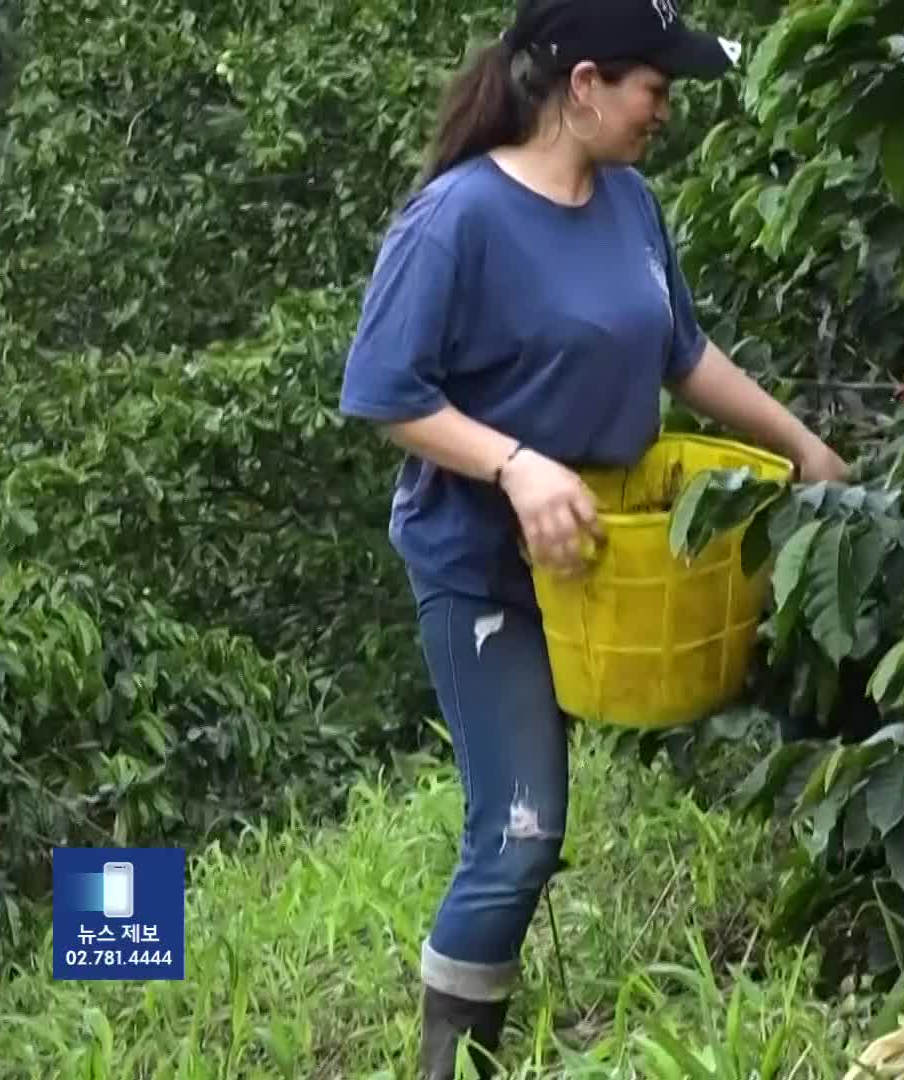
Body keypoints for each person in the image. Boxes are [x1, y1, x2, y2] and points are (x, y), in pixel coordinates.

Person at [335, 1, 849, 1075]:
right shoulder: (457, 219)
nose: (666, 111)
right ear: (583, 88)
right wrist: (515, 465)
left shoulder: (632, 205)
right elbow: (383, 391)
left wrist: (804, 446)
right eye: (654, 88)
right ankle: (451, 1065)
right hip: (487, 571)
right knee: (520, 834)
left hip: (615, 561)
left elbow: (681, 352)